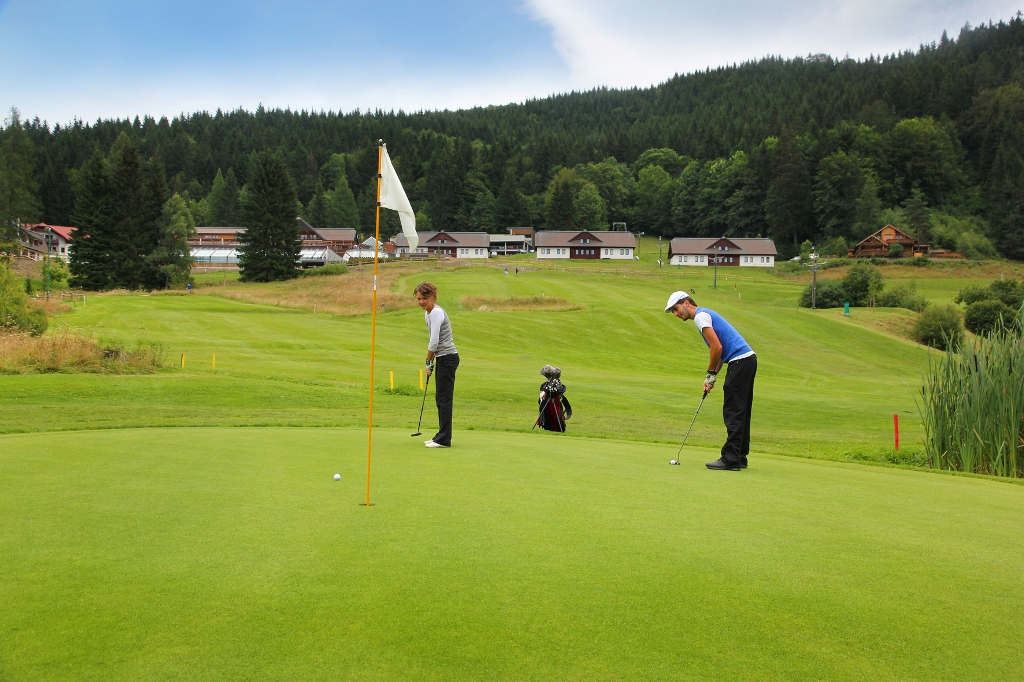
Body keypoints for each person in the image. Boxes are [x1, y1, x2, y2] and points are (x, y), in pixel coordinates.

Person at [665, 291, 756, 471]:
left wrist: (709, 373)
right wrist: (711, 378)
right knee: (741, 411)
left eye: (676, 309)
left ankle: (731, 458)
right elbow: (720, 354)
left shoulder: (700, 317)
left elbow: (717, 347)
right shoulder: (705, 315)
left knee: (733, 411)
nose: (676, 314)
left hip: (740, 362)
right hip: (746, 360)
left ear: (686, 303)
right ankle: (740, 456)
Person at [415, 282, 460, 448]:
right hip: (443, 358)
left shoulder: (436, 313)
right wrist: (431, 362)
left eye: (424, 298)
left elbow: (434, 342)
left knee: (444, 400)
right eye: (419, 298)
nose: (421, 302)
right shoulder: (428, 314)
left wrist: (428, 361)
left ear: (432, 297)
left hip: (448, 357)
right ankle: (440, 436)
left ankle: (444, 439)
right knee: (440, 399)